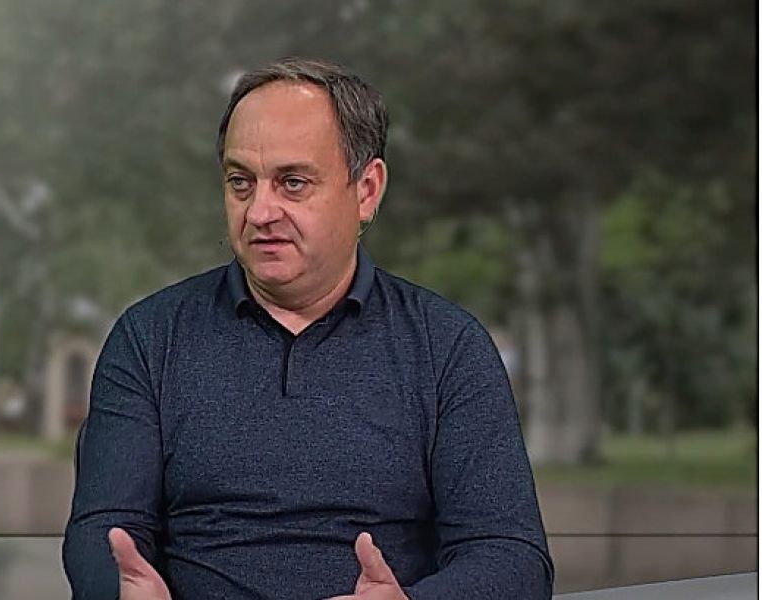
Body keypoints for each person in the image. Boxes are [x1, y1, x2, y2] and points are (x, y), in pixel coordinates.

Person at [63, 57, 554, 599]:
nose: (259, 212)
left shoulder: (448, 348)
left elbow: (511, 557)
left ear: (366, 190)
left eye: (292, 183)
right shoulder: (149, 339)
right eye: (240, 182)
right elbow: (103, 530)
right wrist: (120, 593)